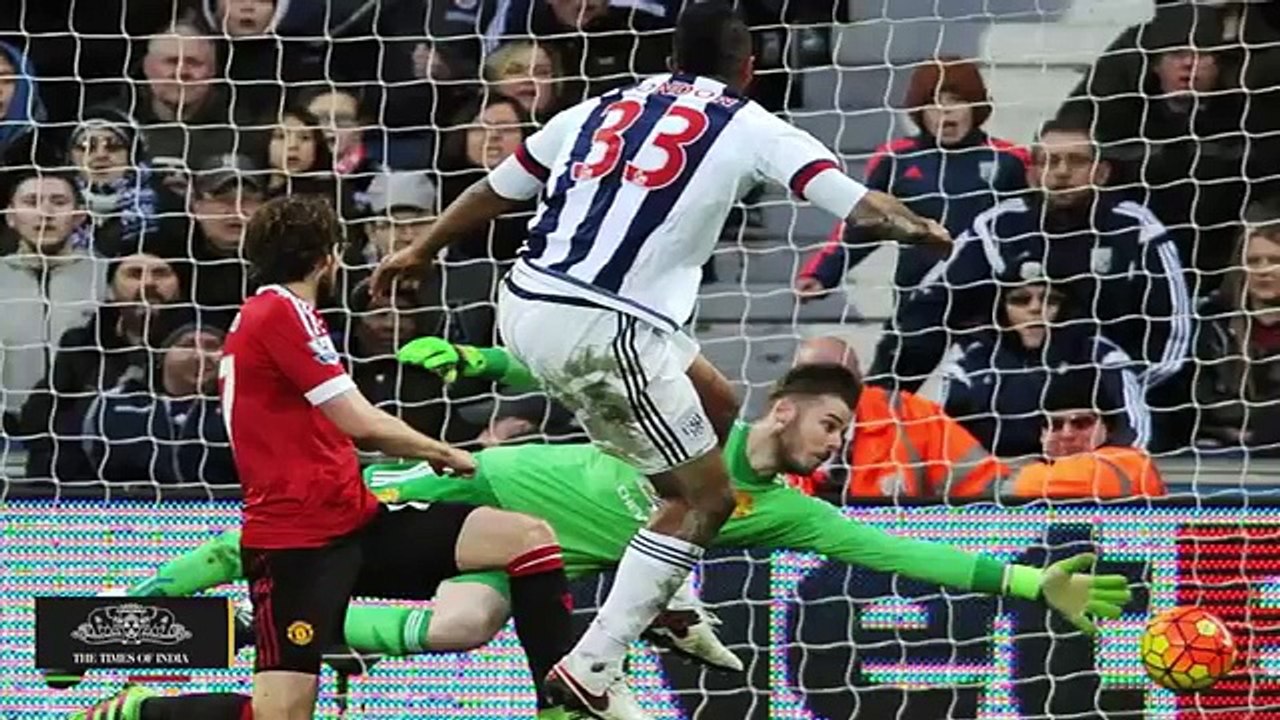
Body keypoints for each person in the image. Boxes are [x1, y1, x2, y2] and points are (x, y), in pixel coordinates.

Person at [371, 3, 950, 715]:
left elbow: (498, 188)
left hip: (523, 305)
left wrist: (422, 246)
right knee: (706, 497)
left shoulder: (602, 104)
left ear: (674, 57)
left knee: (717, 403)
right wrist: (921, 227)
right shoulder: (751, 122)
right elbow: (861, 210)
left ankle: (669, 597)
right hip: (604, 328)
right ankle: (593, 665)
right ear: (750, 67)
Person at [76, 363, 1131, 720]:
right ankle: (132, 626)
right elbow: (583, 363)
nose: (838, 439)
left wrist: (1031, 577)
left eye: (847, 432)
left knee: (462, 625)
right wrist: (485, 359)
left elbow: (892, 554)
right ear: (775, 412)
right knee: (261, 551)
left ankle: (178, 680)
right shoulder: (682, 421)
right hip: (470, 483)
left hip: (503, 556)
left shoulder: (780, 512)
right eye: (827, 423)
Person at [217, 195, 577, 720]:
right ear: (328, 258)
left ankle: (559, 709)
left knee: (527, 539)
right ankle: (139, 711)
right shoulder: (278, 311)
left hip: (355, 520)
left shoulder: (281, 312)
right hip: (297, 545)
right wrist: (444, 453)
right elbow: (361, 423)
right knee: (280, 717)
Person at [941, 259, 1149, 460]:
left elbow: (1135, 430)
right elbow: (943, 431)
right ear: (1000, 308)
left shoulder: (1098, 353)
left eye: (1051, 300)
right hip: (994, 475)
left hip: (1080, 474)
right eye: (1021, 300)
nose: (1035, 309)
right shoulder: (972, 356)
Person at [784, 335, 1008, 499]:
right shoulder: (776, 430)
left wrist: (1043, 479)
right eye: (812, 383)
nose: (827, 394)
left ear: (859, 381)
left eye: (839, 383)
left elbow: (987, 480)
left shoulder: (909, 416)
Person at [1000, 369, 1167, 499]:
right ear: (1042, 435)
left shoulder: (1130, 462)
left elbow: (1027, 484)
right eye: (1055, 425)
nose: (1067, 434)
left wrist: (1018, 477)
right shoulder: (1041, 470)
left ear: (1106, 428)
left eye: (1081, 423)